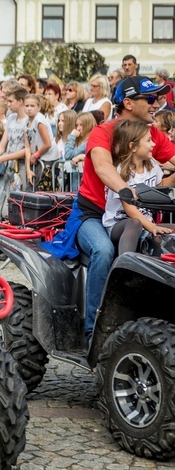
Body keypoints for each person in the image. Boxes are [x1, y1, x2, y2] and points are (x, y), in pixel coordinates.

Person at [72, 76, 175, 342]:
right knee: (103, 251)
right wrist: (127, 192)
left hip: (135, 214)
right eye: (151, 99)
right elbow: (103, 166)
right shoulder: (103, 131)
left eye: (160, 98)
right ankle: (94, 328)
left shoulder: (152, 134)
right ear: (128, 103)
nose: (157, 104)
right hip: (94, 214)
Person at [103, 120, 175, 255]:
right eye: (148, 140)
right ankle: (124, 267)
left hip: (146, 223)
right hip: (120, 224)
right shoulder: (120, 172)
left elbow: (160, 188)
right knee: (134, 223)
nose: (153, 144)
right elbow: (130, 209)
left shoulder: (152, 164)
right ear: (133, 146)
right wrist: (152, 227)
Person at [0, 85, 29, 220]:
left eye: (11, 101)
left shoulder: (28, 120)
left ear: (20, 102)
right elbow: (2, 144)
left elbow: (27, 149)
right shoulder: (11, 119)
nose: (8, 104)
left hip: (22, 168)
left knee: (16, 206)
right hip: (7, 167)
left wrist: (3, 158)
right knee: (0, 205)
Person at [24, 94, 55, 189]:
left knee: (41, 191)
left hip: (47, 159)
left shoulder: (39, 120)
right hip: (36, 160)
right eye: (27, 106)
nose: (29, 108)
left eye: (32, 106)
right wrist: (28, 169)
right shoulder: (26, 122)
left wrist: (35, 155)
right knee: (30, 188)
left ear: (38, 107)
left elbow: (47, 144)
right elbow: (27, 147)